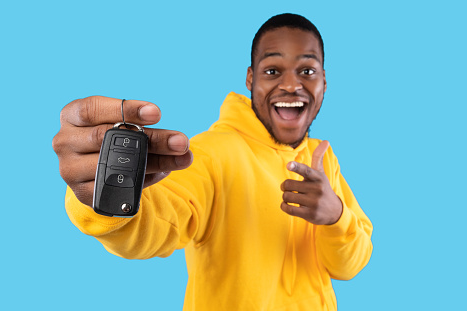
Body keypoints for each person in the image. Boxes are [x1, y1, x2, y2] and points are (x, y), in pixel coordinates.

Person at [53, 13, 373, 310]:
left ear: (324, 82)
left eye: (307, 71)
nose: (291, 84)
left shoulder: (322, 157)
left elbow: (349, 266)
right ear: (251, 79)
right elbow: (155, 225)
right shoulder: (210, 153)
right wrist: (103, 193)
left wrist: (337, 218)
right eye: (273, 71)